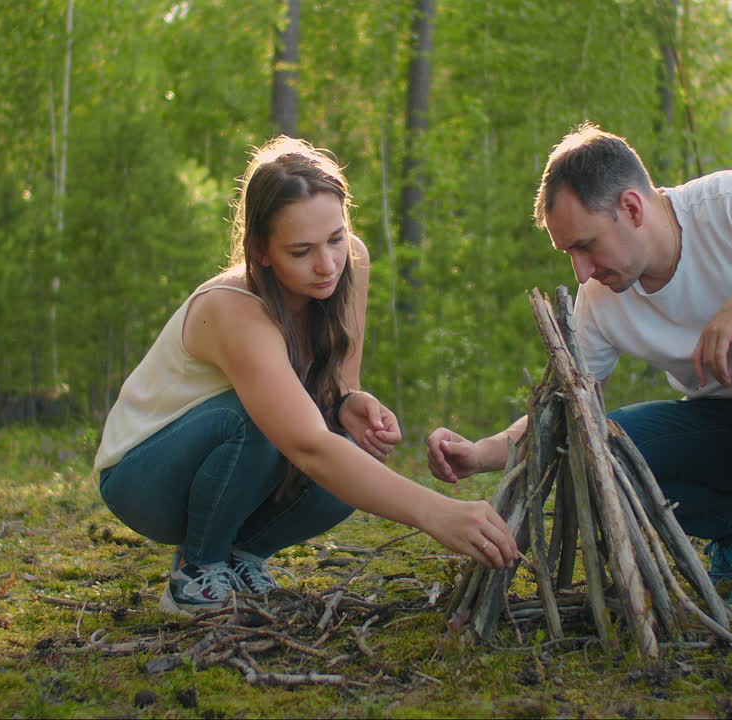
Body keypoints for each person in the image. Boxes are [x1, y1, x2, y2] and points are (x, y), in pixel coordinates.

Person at [427, 123, 732, 619]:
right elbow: (564, 411)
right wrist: (480, 452)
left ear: (632, 208)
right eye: (569, 253)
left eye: (586, 245)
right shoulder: (599, 300)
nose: (581, 271)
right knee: (600, 445)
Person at [94, 137, 517, 617]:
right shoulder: (235, 310)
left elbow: (335, 391)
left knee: (353, 446)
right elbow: (307, 444)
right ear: (261, 249)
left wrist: (346, 404)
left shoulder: (349, 266)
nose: (327, 264)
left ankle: (241, 555)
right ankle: (198, 569)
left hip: (232, 470)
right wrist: (436, 512)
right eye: (301, 251)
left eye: (335, 238)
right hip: (145, 475)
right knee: (253, 419)